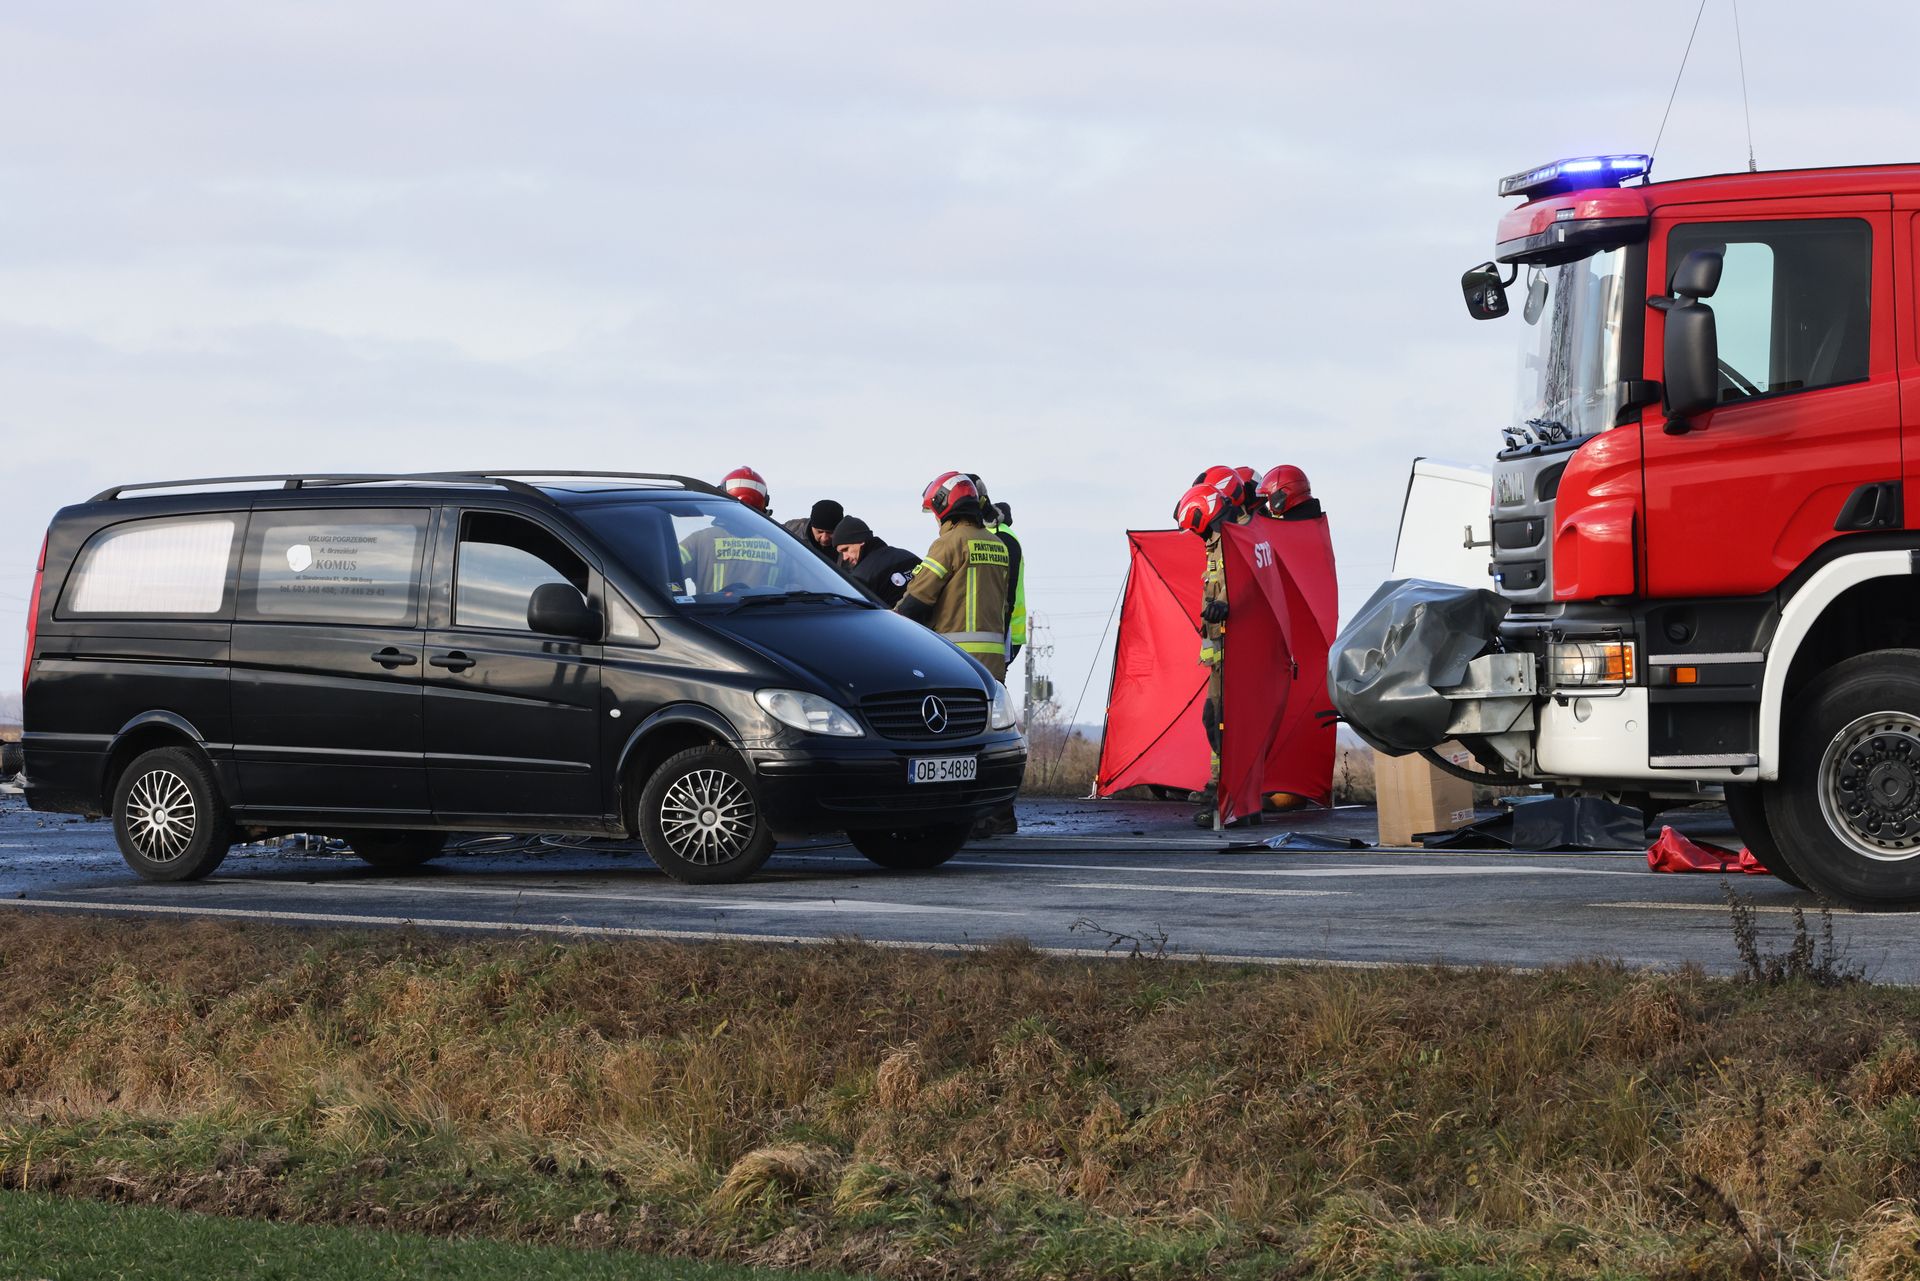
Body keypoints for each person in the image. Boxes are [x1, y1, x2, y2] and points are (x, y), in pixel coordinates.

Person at [894, 471, 1010, 681]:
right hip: (994, 664)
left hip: (954, 660)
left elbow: (916, 600)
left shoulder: (950, 543)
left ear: (943, 507)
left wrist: (887, 625)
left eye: (934, 514)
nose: (936, 521)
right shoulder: (999, 546)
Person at [1174, 481, 1232, 821]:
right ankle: (1218, 788)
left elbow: (1240, 586)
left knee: (1220, 721)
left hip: (1232, 653)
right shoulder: (1216, 546)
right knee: (1214, 719)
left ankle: (1223, 798)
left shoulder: (1229, 545)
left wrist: (1224, 606)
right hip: (1220, 656)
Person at [679, 466, 782, 594]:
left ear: (720, 496)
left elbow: (662, 572)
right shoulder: (781, 545)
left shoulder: (699, 541)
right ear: (764, 502)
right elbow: (807, 584)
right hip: (771, 613)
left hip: (709, 613)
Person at [965, 475, 1027, 665]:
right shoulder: (985, 533)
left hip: (1001, 635)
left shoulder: (1000, 537)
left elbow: (1006, 594)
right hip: (991, 633)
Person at [832, 515, 921, 607]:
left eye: (845, 549)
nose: (844, 557)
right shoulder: (909, 556)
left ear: (861, 541)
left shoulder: (862, 577)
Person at [783, 500, 845, 565]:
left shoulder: (851, 542)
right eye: (820, 532)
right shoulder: (789, 531)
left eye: (830, 533)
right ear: (812, 526)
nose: (824, 538)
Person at [1258, 464, 1323, 521]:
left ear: (1282, 495)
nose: (1269, 509)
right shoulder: (1312, 520)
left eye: (1270, 500)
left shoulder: (1291, 528)